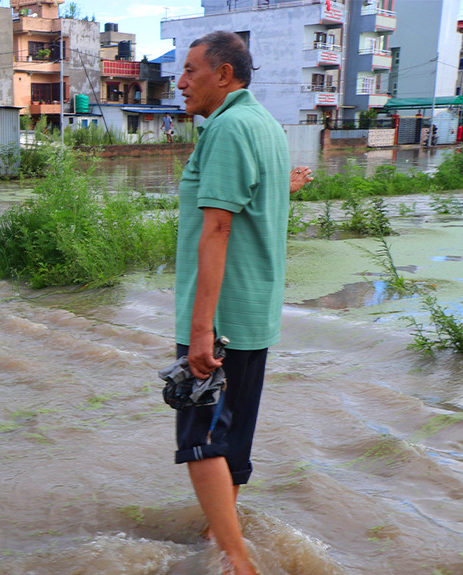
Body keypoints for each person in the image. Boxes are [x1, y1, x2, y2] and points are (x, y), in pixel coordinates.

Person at [171, 32, 310, 575]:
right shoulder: (266, 126)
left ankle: (237, 561)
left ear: (224, 75)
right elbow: (260, 201)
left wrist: (200, 329)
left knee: (200, 441)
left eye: (190, 71)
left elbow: (219, 229)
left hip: (222, 317)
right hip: (255, 314)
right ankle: (216, 534)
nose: (181, 83)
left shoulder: (227, 128)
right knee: (231, 436)